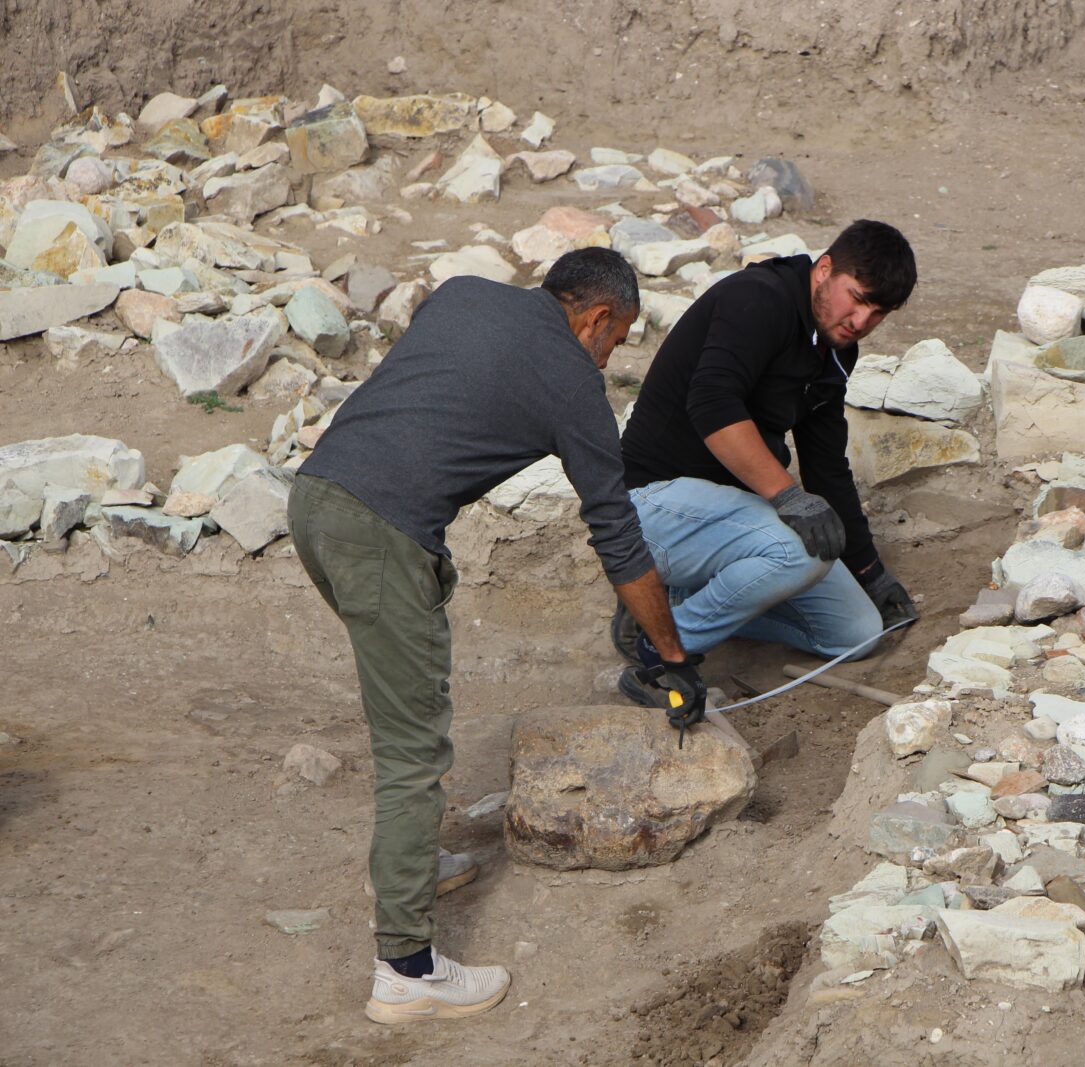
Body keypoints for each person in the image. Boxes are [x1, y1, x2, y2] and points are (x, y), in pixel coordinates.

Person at [287, 248, 705, 1025]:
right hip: (383, 532)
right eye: (618, 341)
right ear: (596, 317)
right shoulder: (574, 381)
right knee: (413, 750)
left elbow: (433, 395)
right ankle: (406, 970)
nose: (613, 357)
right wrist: (671, 657)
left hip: (315, 500)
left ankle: (406, 867)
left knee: (403, 706)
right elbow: (618, 534)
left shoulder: (465, 292)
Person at [611, 219, 920, 705]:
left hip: (725, 516)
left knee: (858, 632)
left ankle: (669, 606)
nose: (861, 321)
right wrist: (787, 495)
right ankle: (663, 653)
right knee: (798, 549)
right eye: (857, 298)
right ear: (824, 271)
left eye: (877, 312)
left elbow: (826, 464)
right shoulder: (758, 299)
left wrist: (869, 571)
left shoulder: (835, 347)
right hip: (650, 506)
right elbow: (712, 405)